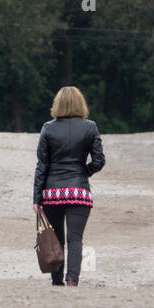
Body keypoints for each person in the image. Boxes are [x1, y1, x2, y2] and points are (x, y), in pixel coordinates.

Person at [32, 86, 105, 286]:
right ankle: (72, 279)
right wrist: (83, 172)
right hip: (79, 192)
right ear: (81, 104)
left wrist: (37, 197)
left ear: (57, 104)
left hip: (52, 193)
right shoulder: (90, 127)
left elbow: (42, 165)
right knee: (75, 239)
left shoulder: (48, 128)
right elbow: (99, 160)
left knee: (56, 238)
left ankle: (56, 280)